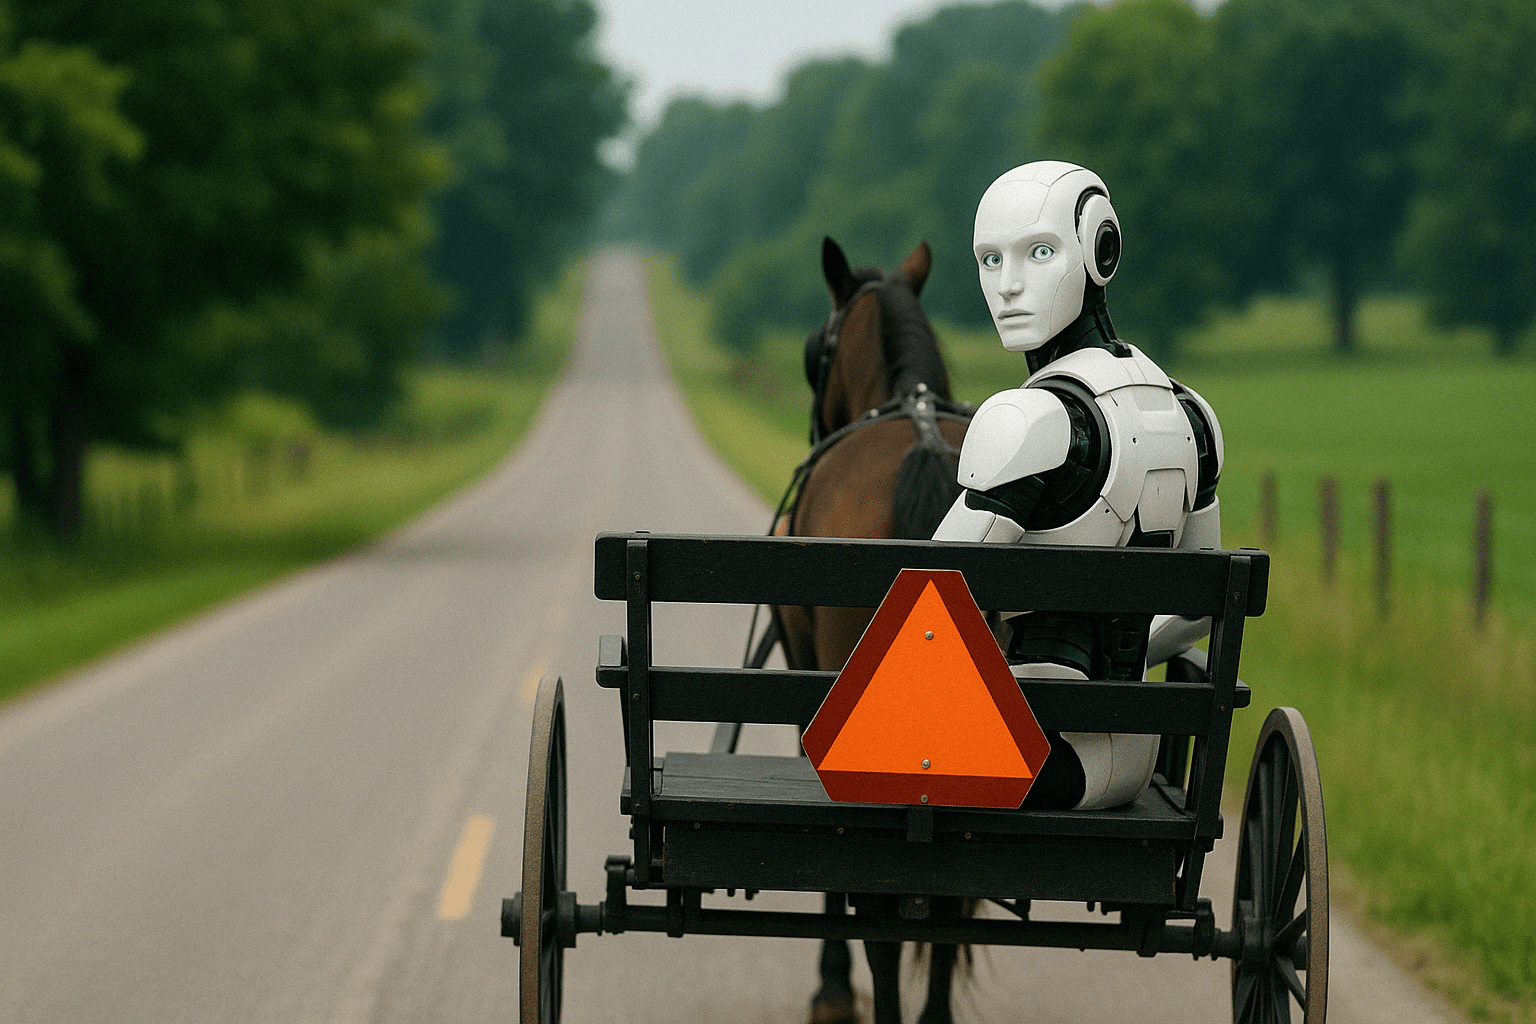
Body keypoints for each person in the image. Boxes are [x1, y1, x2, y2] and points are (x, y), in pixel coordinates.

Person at [932, 160, 1224, 810]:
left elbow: (927, 600)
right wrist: (1120, 658)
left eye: (1038, 253)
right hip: (1134, 758)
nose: (1008, 286)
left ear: (1101, 249)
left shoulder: (1024, 419)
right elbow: (1201, 605)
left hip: (1035, 755)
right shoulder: (1191, 414)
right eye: (989, 260)